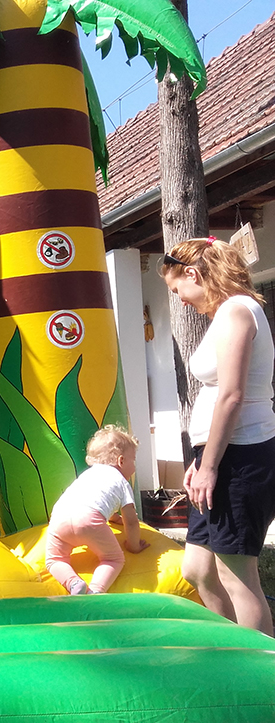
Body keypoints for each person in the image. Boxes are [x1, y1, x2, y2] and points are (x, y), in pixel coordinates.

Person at [161, 237, 275, 635]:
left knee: (236, 575)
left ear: (193, 274)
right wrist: (202, 461)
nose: (181, 300)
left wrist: (209, 466)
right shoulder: (227, 313)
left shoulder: (237, 311)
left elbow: (232, 395)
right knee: (198, 570)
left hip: (241, 457)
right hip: (219, 455)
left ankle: (261, 664)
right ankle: (230, 649)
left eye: (177, 289)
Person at [45, 425, 149, 595]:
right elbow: (131, 521)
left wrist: (114, 518)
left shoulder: (87, 475)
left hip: (59, 517)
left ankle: (74, 583)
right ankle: (95, 591)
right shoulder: (122, 482)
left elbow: (98, 501)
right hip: (88, 520)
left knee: (54, 560)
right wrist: (134, 546)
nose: (135, 466)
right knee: (113, 559)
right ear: (121, 461)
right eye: (134, 460)